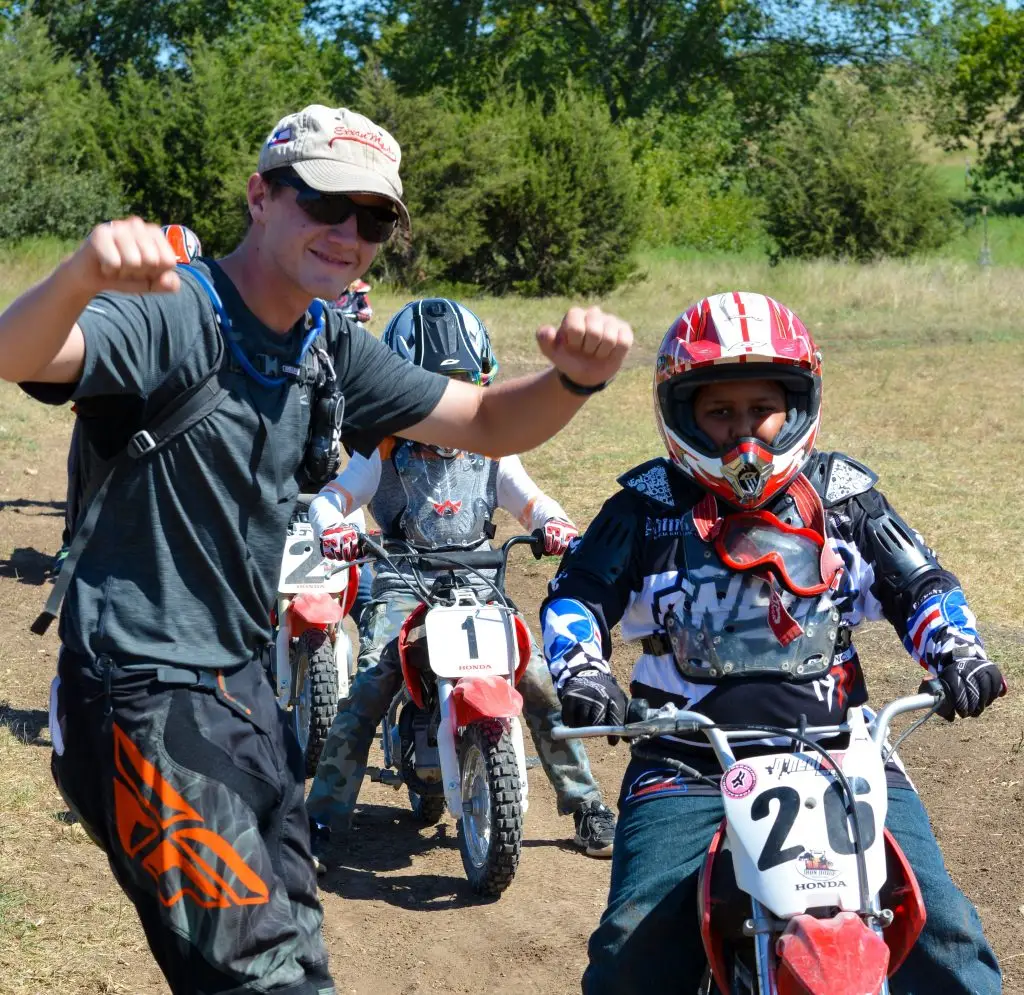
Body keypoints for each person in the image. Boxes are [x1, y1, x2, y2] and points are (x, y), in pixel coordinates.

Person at [0, 103, 632, 995]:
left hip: (243, 684)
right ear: (261, 195)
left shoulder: (326, 343)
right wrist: (78, 276)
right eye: (326, 203)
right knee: (265, 978)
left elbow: (486, 421)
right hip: (141, 691)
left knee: (298, 949)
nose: (348, 234)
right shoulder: (174, 312)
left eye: (373, 219)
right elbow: (19, 352)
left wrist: (574, 379)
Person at [540, 292, 1003, 994]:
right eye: (719, 412)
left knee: (947, 936)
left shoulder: (844, 500)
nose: (742, 431)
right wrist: (581, 670)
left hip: (844, 754)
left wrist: (957, 648)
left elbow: (922, 587)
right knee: (632, 952)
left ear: (796, 406)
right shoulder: (646, 509)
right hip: (688, 760)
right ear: (681, 413)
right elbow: (577, 594)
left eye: (761, 409)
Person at [303, 297, 617, 866]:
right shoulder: (384, 448)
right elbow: (332, 498)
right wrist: (335, 529)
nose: (444, 400)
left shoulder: (493, 446)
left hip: (478, 579)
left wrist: (554, 525)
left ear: (483, 382)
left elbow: (531, 500)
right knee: (369, 687)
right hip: (404, 577)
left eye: (460, 385)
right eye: (428, 387)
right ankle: (321, 819)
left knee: (539, 683)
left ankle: (586, 804)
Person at [51, 224, 204, 577]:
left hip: (167, 412)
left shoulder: (203, 308)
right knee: (85, 469)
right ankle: (72, 543)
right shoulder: (123, 296)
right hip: (109, 407)